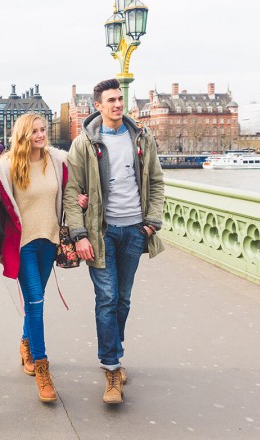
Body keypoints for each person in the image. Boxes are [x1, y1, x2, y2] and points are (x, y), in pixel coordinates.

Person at [63, 78, 165, 405]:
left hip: (134, 229)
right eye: (111, 100)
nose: (118, 105)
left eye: (120, 99)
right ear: (98, 106)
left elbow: (156, 182)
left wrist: (151, 223)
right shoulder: (85, 144)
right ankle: (111, 367)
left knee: (123, 299)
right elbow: (71, 191)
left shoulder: (142, 138)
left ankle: (114, 350)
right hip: (101, 233)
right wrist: (79, 235)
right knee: (107, 297)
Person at [0, 113, 70, 404]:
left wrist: (80, 200)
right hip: (23, 244)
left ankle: (26, 343)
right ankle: (42, 366)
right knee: (35, 301)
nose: (41, 135)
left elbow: (73, 187)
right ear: (23, 135)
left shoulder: (57, 161)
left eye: (43, 129)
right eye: (34, 131)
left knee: (37, 300)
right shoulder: (8, 166)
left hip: (49, 240)